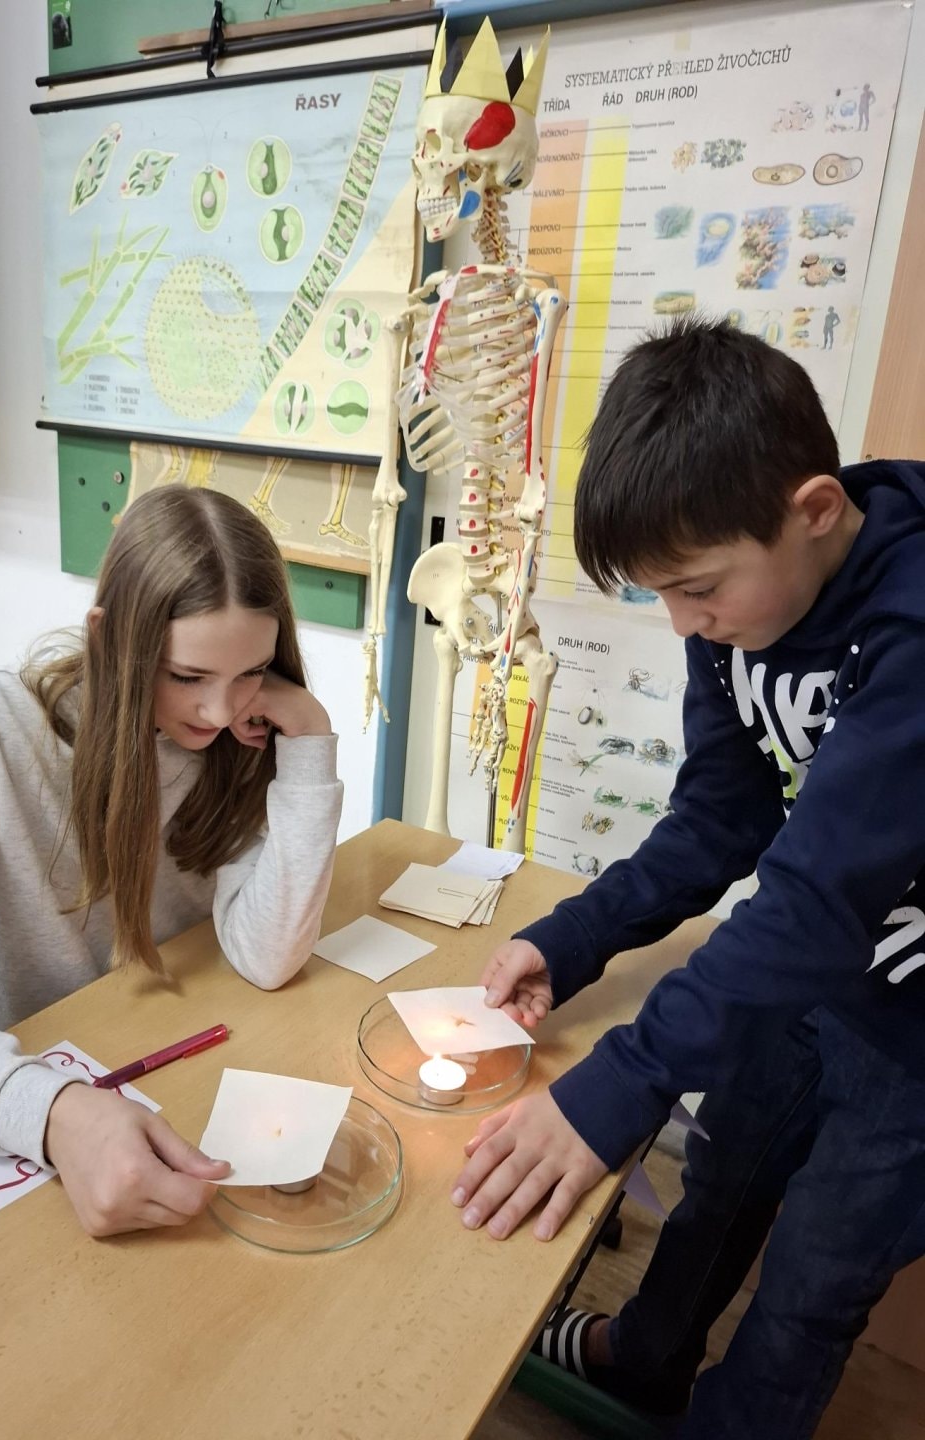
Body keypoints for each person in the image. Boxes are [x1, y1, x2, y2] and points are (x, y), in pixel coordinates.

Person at [449, 317, 925, 1438]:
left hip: (914, 1033)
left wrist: (623, 1081)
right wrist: (572, 937)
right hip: (806, 983)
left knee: (810, 1287)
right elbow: (718, 818)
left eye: (698, 590)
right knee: (717, 1183)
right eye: (659, 595)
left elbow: (814, 902)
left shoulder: (911, 630)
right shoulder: (734, 618)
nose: (684, 625)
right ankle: (642, 1360)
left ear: (815, 511)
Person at [0, 484, 343, 1237]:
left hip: (174, 1069)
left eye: (252, 672)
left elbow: (268, 957)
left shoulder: (250, 733)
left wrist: (309, 738)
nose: (219, 712)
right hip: (12, 1097)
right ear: (109, 637)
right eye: (187, 677)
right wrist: (53, 1112)